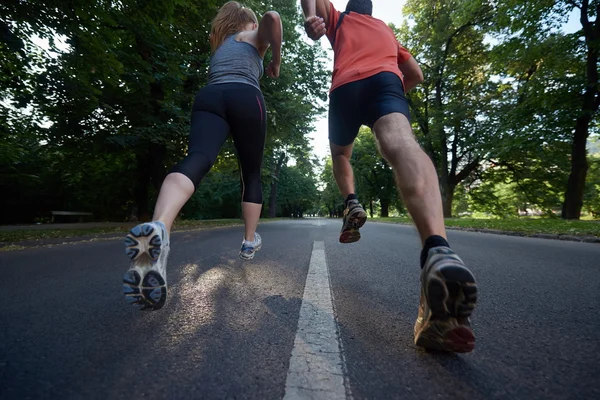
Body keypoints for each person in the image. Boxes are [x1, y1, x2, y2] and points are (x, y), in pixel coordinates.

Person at [300, 0, 478, 353]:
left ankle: (351, 200)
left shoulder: (342, 19)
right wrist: (391, 98)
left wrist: (311, 18)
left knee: (341, 153)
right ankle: (438, 250)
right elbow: (416, 74)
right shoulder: (386, 31)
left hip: (347, 85)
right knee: (401, 143)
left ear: (351, 8)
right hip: (387, 81)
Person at [122, 1, 282, 311]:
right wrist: (275, 59)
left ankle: (159, 228)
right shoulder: (251, 36)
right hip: (245, 96)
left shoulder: (221, 47)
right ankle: (249, 241)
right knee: (251, 173)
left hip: (210, 97)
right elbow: (273, 18)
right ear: (248, 24)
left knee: (197, 158)